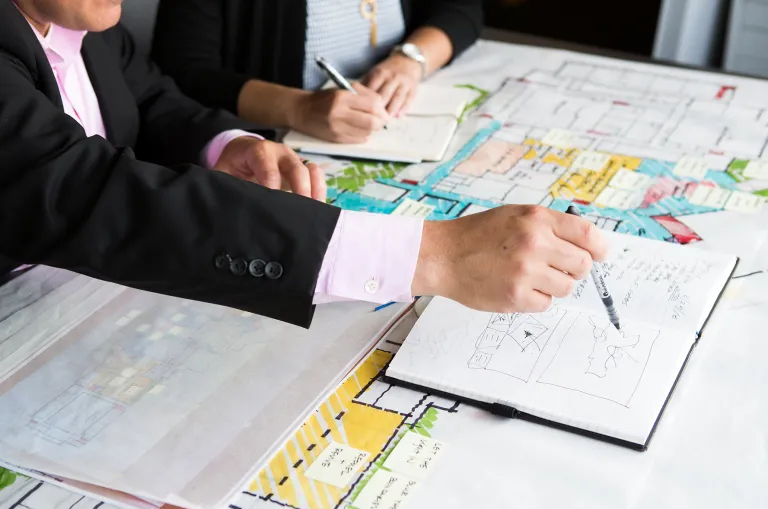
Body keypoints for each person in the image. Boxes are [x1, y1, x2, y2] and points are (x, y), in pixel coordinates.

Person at [0, 0, 607, 331]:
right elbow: (89, 191)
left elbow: (152, 96)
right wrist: (435, 254)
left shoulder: (85, 21)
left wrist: (226, 143)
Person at [151, 0, 483, 142]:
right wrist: (298, 108)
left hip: (391, 128)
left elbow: (461, 7)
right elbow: (181, 71)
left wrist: (411, 59)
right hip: (271, 144)